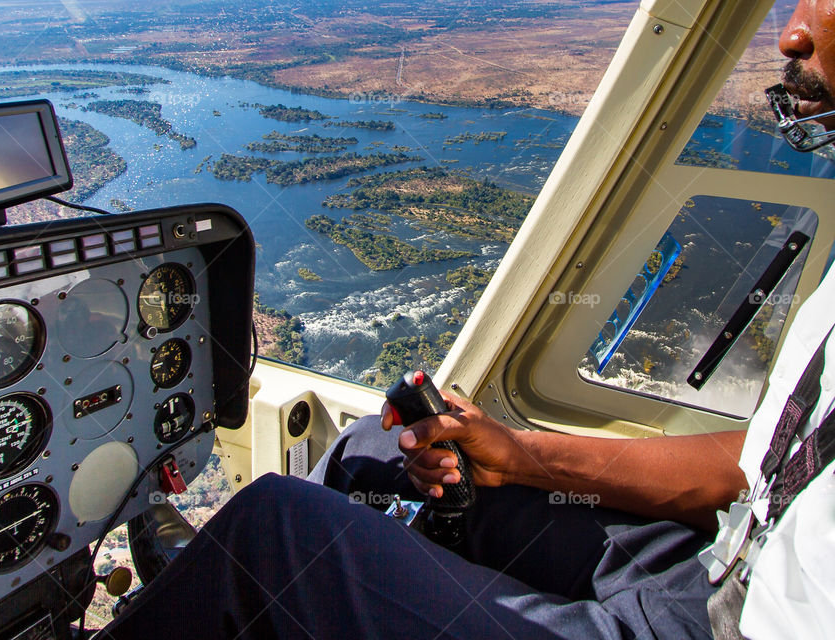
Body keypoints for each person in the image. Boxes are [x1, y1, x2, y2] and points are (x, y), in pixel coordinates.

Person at [104, 2, 834, 638]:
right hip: (721, 560)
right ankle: (204, 591)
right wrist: (521, 453)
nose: (791, 34)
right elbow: (760, 459)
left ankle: (209, 588)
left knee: (271, 534)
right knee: (374, 451)